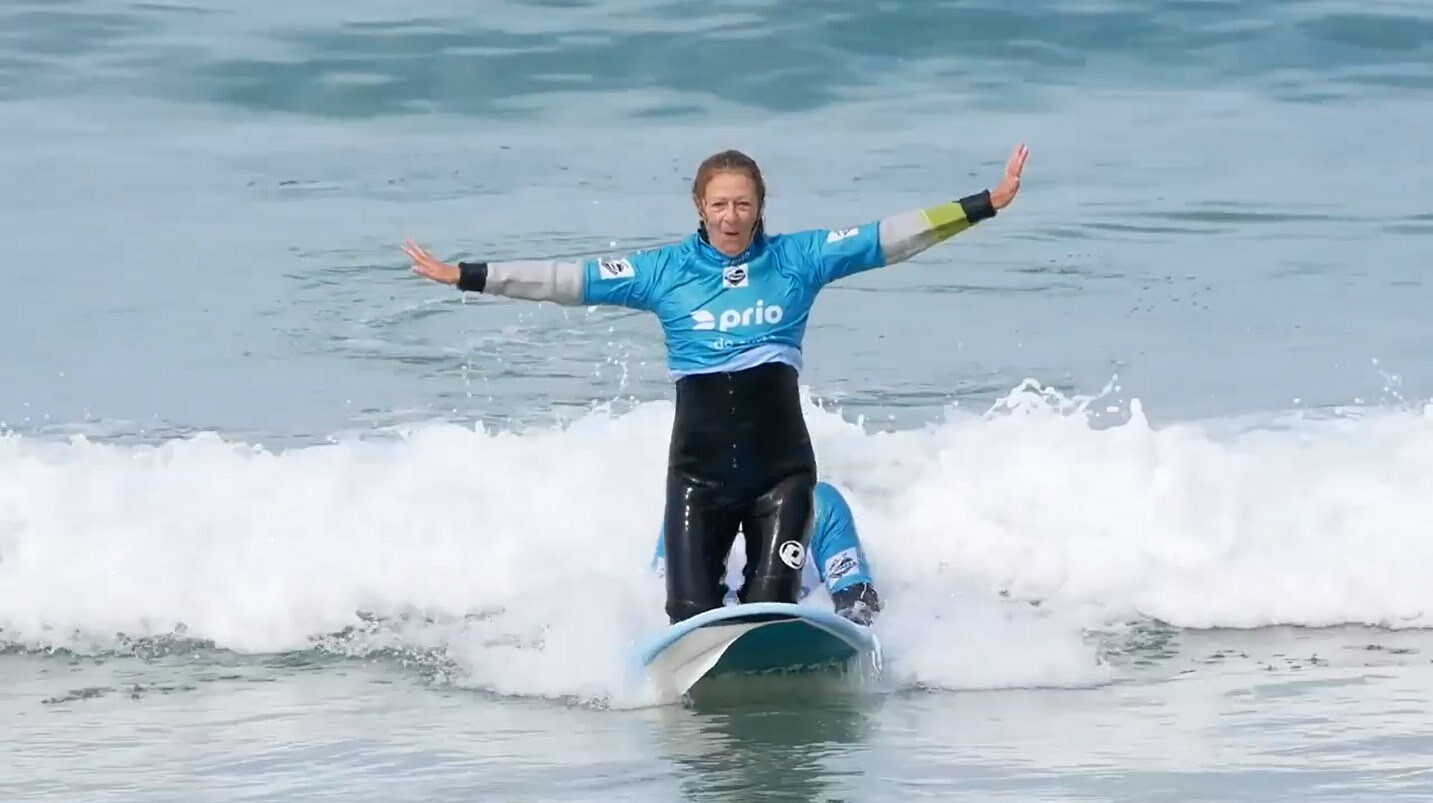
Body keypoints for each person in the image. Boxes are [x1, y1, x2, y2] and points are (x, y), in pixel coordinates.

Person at [404, 143, 1028, 625]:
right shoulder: (661, 272)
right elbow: (565, 279)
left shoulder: (798, 259)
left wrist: (984, 203)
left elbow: (887, 238)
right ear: (700, 207)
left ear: (761, 206)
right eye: (720, 204)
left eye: (744, 203)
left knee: (767, 610)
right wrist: (466, 275)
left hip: (781, 474)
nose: (732, 216)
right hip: (698, 479)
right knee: (688, 616)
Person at [650, 480, 882, 625]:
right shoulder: (690, 511)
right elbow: (654, 603)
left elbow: (859, 599)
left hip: (794, 631)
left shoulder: (821, 505)